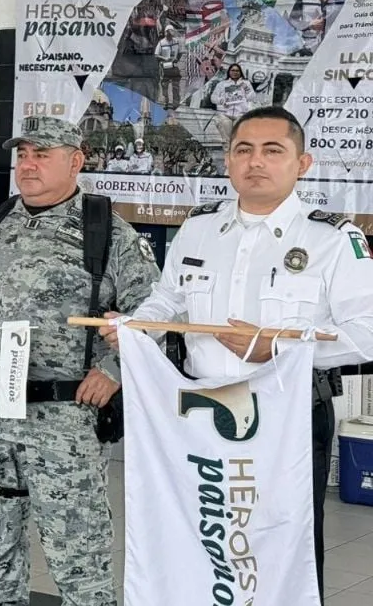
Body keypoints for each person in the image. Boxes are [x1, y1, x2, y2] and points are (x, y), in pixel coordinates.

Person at [100, 105, 373, 597]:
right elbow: (168, 301)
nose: (256, 162)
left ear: (302, 163)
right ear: (227, 161)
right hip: (198, 412)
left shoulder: (332, 238)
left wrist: (280, 348)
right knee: (201, 533)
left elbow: (366, 332)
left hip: (286, 415)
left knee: (280, 542)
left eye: (273, 150)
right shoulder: (199, 228)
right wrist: (138, 329)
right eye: (243, 150)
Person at [0, 116, 159, 606]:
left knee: (78, 555)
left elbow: (154, 314)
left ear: (76, 161)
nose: (28, 164)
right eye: (22, 154)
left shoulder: (107, 230)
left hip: (64, 418)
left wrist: (114, 371)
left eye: (42, 154)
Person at [210, 63, 255, 144]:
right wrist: (221, 101)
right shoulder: (222, 84)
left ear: (240, 72)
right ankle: (228, 155)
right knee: (227, 140)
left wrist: (245, 87)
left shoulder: (246, 83)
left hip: (241, 114)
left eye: (237, 70)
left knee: (238, 139)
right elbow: (213, 98)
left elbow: (251, 97)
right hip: (225, 114)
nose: (235, 72)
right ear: (229, 72)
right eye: (233, 70)